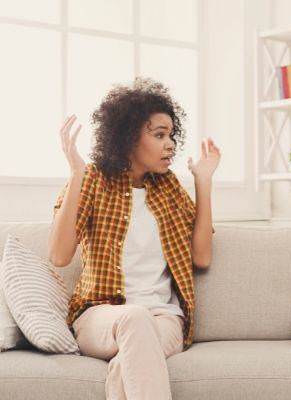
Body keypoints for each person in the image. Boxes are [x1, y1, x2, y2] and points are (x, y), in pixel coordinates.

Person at [48, 77, 220, 399]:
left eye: (171, 135)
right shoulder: (93, 180)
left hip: (164, 320)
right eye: (159, 135)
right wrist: (76, 175)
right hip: (99, 317)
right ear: (128, 138)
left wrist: (204, 182)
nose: (170, 144)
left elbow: (202, 258)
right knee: (133, 319)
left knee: (127, 361)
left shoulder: (169, 188)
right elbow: (59, 256)